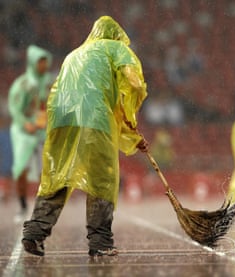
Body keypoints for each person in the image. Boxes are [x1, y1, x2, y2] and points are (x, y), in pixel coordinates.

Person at [21, 16, 149, 257]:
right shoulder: (116, 48)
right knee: (103, 179)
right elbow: (132, 85)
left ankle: (34, 233)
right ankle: (100, 242)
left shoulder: (73, 55)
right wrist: (133, 123)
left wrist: (131, 137)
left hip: (61, 119)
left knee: (57, 176)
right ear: (115, 35)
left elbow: (59, 91)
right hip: (94, 120)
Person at [8, 45, 52, 220]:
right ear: (33, 63)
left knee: (46, 169)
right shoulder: (23, 84)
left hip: (42, 130)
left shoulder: (48, 83)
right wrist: (25, 123)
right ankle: (22, 206)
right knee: (21, 169)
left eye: (45, 62)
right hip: (23, 132)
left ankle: (43, 207)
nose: (43, 65)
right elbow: (15, 107)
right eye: (40, 62)